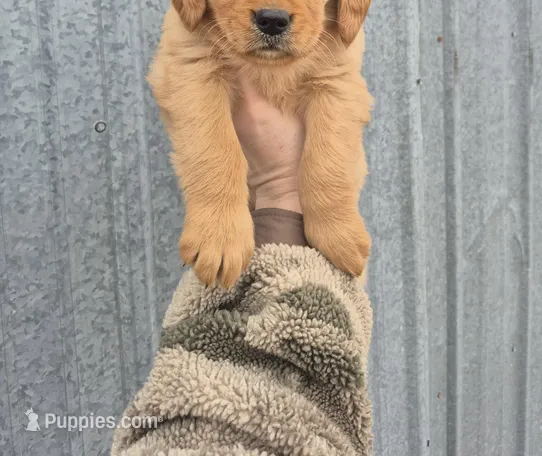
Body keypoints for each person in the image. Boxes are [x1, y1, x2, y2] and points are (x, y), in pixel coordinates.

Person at [111, 76, 373, 456]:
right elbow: (184, 76)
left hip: (294, 237)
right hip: (272, 232)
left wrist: (323, 201)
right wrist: (226, 194)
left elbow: (341, 88)